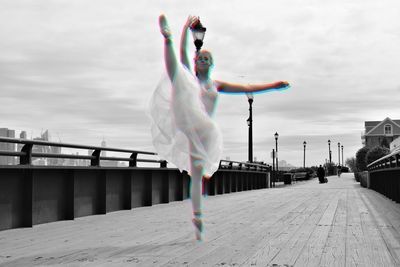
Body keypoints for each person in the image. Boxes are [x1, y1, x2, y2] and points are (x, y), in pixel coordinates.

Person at [150, 14, 290, 241]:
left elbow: (247, 86)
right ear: (196, 62)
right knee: (177, 72)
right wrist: (185, 28)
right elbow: (185, 55)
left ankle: (197, 215)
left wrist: (273, 86)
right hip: (190, 126)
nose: (203, 60)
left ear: (211, 64)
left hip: (206, 133)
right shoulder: (191, 78)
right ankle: (167, 38)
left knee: (198, 175)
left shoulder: (216, 84)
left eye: (207, 58)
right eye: (201, 58)